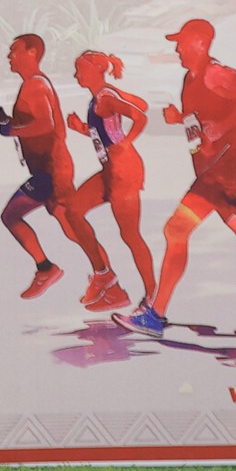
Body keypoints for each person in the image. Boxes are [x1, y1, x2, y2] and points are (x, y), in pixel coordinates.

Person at [122, 19, 236, 333]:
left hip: (226, 164)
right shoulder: (189, 79)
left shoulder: (216, 73)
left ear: (201, 44)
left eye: (182, 43)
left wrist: (225, 125)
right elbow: (201, 118)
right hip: (210, 165)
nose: (177, 49)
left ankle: (155, 315)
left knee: (176, 229)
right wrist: (179, 118)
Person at [0, 34, 113, 304]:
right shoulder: (32, 84)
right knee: (72, 227)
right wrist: (9, 122)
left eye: (14, 50)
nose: (9, 56)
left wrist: (10, 129)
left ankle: (52, 269)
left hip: (52, 171)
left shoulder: (35, 85)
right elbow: (33, 123)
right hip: (49, 168)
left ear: (32, 53)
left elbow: (44, 126)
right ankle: (104, 278)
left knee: (12, 215)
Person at [65, 50, 154, 309]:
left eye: (80, 70)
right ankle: (104, 276)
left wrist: (126, 143)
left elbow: (141, 116)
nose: (76, 75)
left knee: (130, 235)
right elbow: (108, 130)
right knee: (73, 210)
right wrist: (82, 129)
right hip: (110, 170)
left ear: (95, 71)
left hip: (124, 172)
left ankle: (152, 295)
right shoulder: (102, 96)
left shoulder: (105, 98)